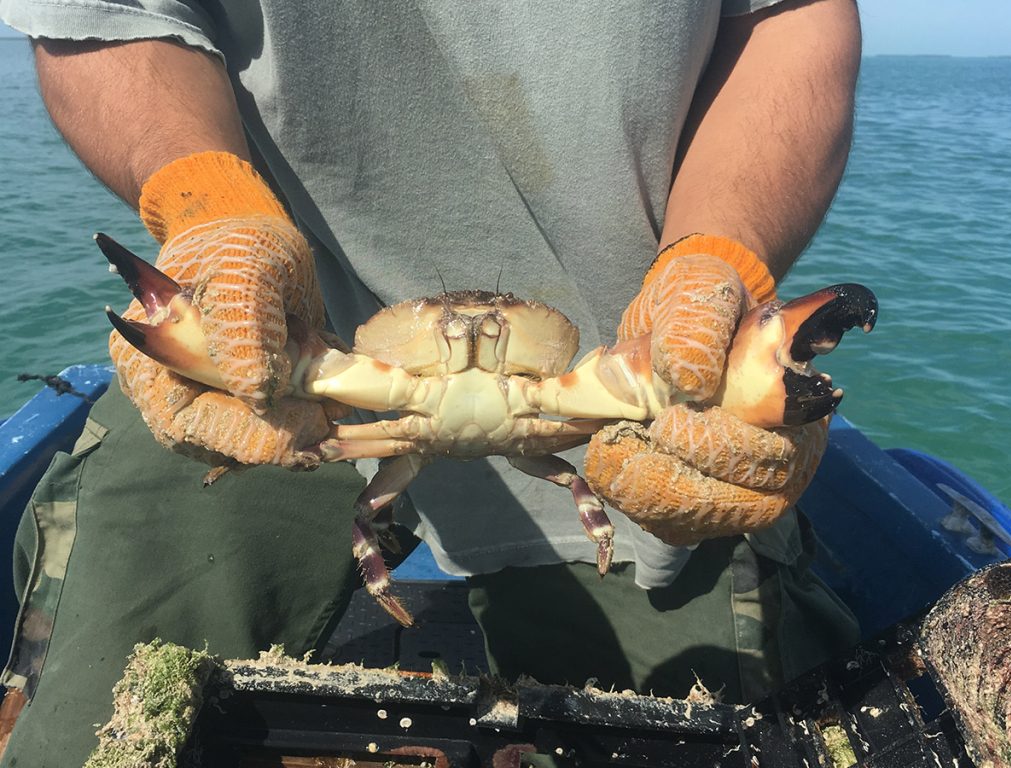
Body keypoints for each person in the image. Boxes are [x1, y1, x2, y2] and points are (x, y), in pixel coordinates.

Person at [0, 0, 863, 763]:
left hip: (620, 401)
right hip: (281, 366)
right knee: (91, 721)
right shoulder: (317, 376)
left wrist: (716, 262)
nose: (471, 335)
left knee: (712, 735)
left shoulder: (608, 391)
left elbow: (791, 18)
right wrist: (207, 206)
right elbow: (104, 17)